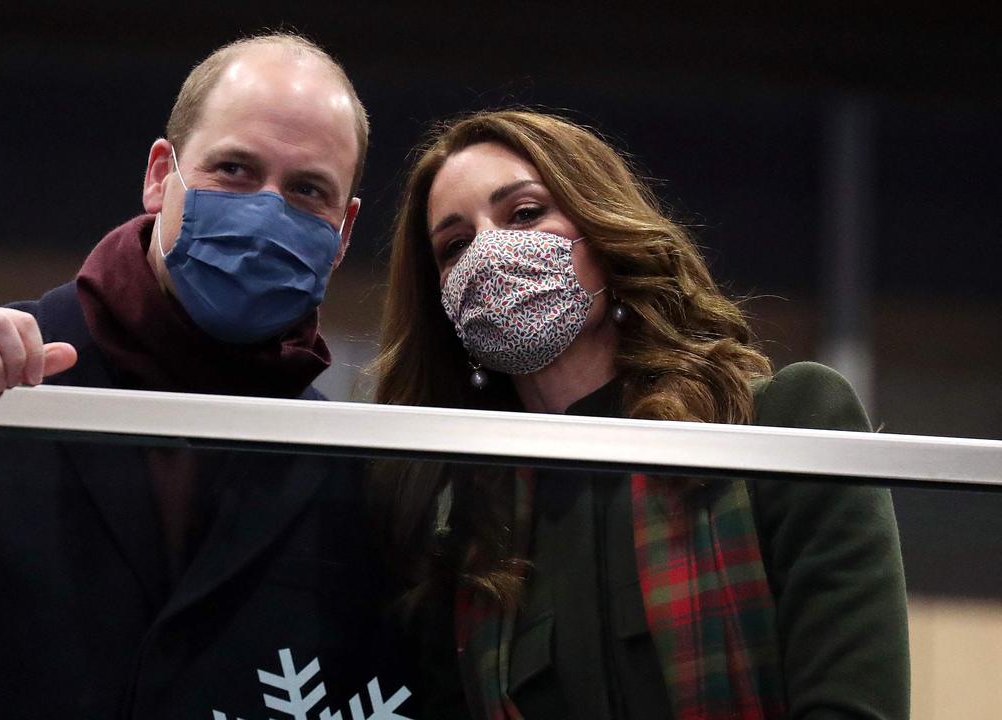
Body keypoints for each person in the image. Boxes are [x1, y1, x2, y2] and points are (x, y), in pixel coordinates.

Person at [0, 33, 413, 719]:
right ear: (159, 175)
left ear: (345, 230)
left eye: (307, 190)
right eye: (234, 169)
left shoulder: (347, 464)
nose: (267, 210)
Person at [370, 109, 910, 719]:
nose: (491, 252)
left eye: (524, 214)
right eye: (455, 245)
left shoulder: (780, 423)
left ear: (602, 229)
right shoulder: (472, 549)